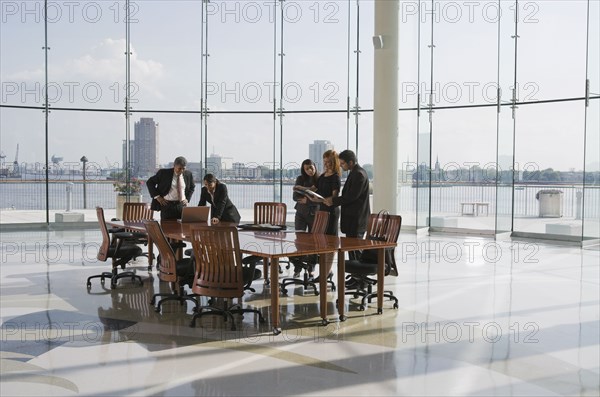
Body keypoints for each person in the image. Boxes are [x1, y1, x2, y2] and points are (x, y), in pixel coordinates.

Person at [323, 149, 370, 259]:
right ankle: (356, 274)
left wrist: (333, 201)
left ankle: (359, 273)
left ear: (351, 162)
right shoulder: (355, 172)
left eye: (343, 163)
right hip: (353, 219)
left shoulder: (359, 174)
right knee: (352, 249)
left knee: (355, 249)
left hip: (357, 220)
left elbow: (351, 197)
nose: (341, 166)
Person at [308, 150, 341, 281]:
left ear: (334, 162)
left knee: (330, 244)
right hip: (321, 211)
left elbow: (334, 197)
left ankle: (325, 274)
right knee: (322, 243)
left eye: (329, 162)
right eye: (325, 162)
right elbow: (314, 189)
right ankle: (327, 272)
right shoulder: (322, 176)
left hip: (331, 212)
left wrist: (320, 200)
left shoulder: (335, 177)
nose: (326, 164)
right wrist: (304, 190)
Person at [291, 159, 320, 277]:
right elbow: (295, 197)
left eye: (311, 168)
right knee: (299, 241)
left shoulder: (319, 180)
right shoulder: (300, 179)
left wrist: (306, 199)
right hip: (300, 213)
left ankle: (311, 267)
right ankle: (297, 267)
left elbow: (319, 198)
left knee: (312, 242)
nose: (309, 170)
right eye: (306, 168)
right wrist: (308, 194)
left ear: (315, 167)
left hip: (314, 213)